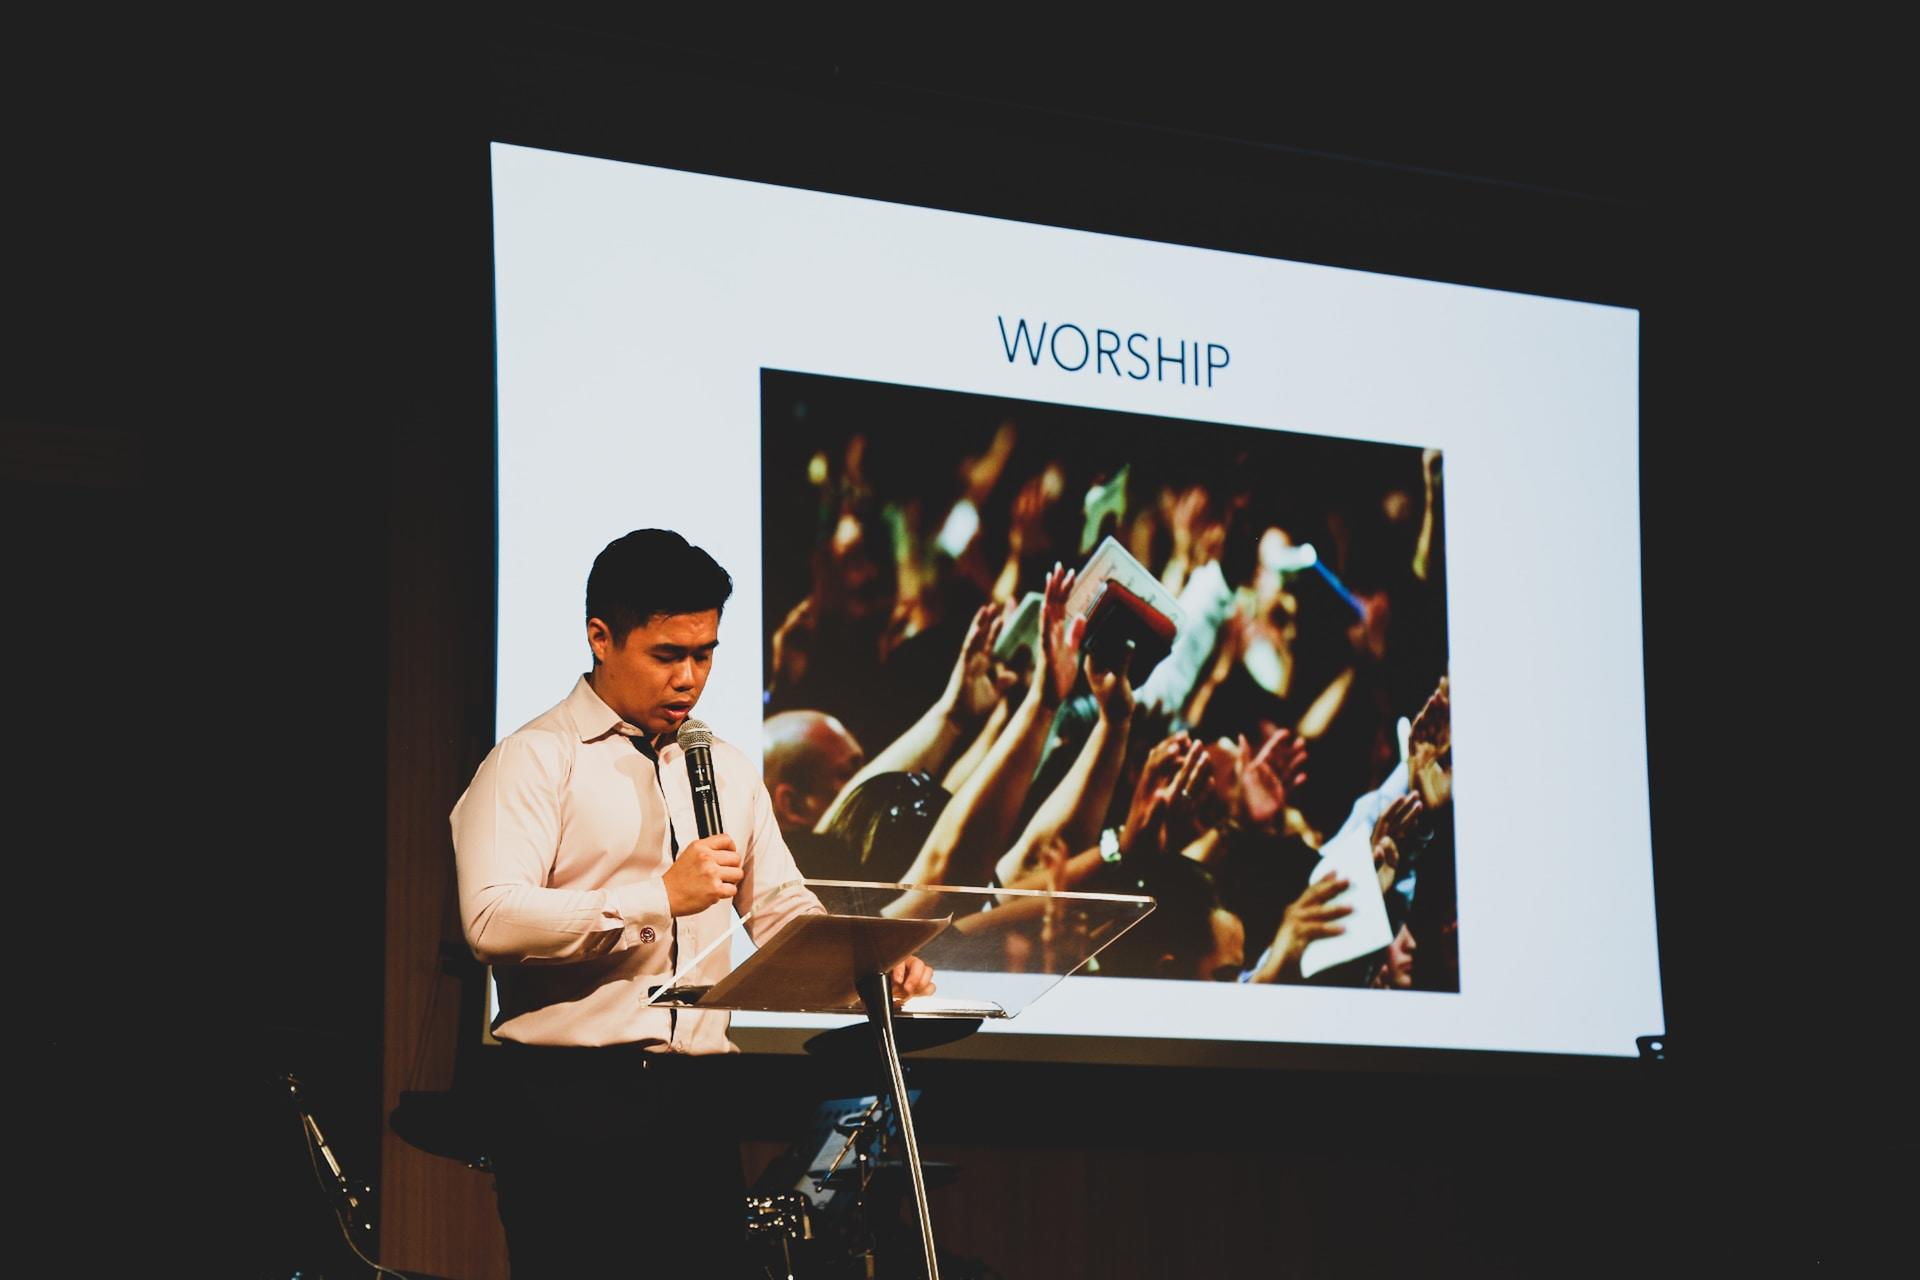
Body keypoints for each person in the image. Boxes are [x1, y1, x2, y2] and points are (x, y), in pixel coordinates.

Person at [451, 528, 932, 1276]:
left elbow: (780, 912)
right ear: (600, 637)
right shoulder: (534, 759)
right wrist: (656, 898)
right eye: (668, 655)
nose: (690, 679)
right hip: (570, 1103)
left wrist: (871, 965)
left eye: (705, 654)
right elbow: (489, 917)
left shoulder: (727, 769)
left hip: (698, 1104)